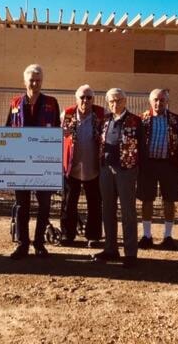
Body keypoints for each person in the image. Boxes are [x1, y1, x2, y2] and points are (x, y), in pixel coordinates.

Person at [6, 64, 61, 259]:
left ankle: (39, 243)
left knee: (44, 204)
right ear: (25, 81)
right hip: (20, 163)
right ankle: (23, 244)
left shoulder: (52, 103)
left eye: (38, 79)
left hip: (43, 163)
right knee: (22, 205)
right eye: (32, 79)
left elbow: (57, 132)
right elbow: (7, 131)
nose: (35, 83)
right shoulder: (14, 103)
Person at [92, 88, 143, 268]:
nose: (115, 104)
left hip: (126, 170)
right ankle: (110, 248)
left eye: (118, 100)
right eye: (111, 101)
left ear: (125, 101)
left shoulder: (135, 121)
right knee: (108, 210)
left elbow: (142, 147)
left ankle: (130, 253)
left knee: (128, 211)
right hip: (106, 168)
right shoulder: (104, 120)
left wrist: (138, 170)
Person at [137, 89, 178, 250]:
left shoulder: (175, 120)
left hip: (169, 164)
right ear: (150, 101)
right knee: (146, 199)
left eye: (162, 100)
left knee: (169, 199)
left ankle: (168, 236)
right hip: (147, 164)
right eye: (155, 100)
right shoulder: (142, 119)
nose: (158, 103)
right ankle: (146, 235)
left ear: (167, 102)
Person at [60, 84, 104, 247]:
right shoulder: (67, 114)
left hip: (94, 167)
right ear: (76, 99)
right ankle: (67, 234)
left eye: (89, 97)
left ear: (93, 99)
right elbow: (59, 137)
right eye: (82, 97)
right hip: (72, 167)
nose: (85, 100)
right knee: (69, 202)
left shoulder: (101, 114)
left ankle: (93, 236)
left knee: (95, 203)